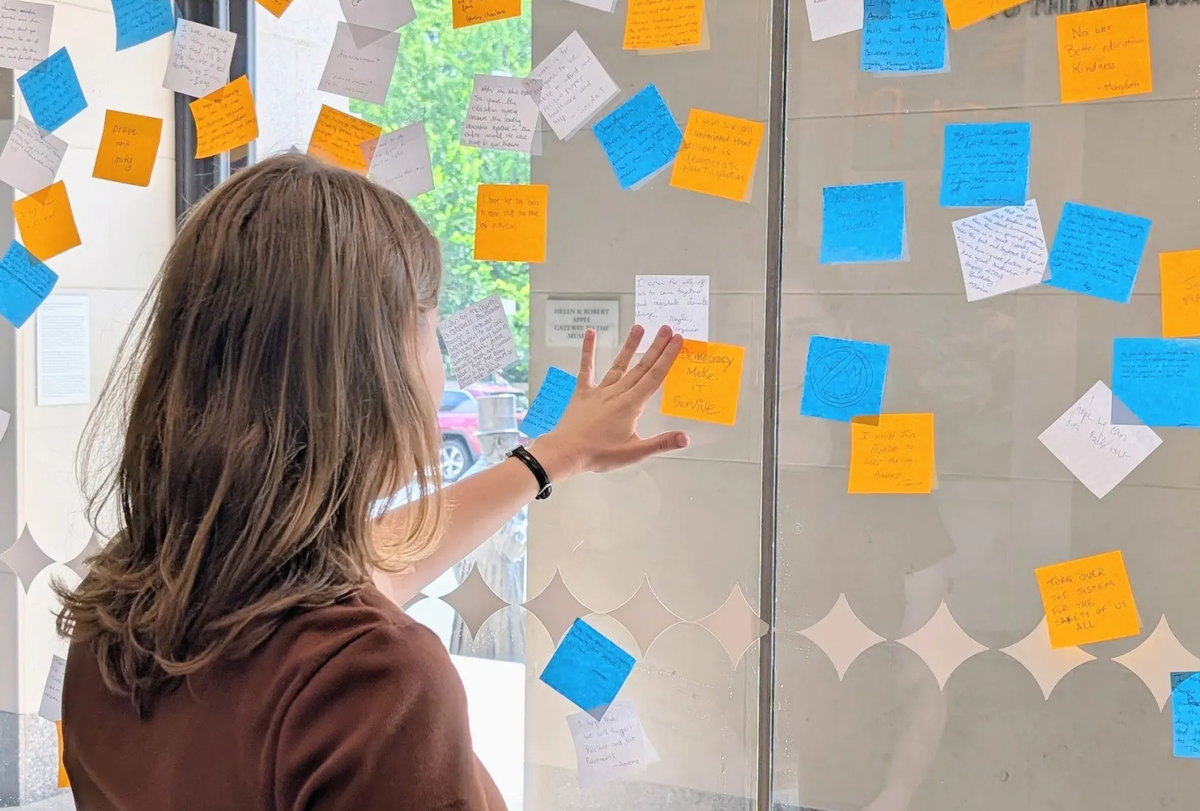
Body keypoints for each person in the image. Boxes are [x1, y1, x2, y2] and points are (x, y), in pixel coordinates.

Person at [54, 154, 689, 811]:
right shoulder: (375, 682)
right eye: (432, 327)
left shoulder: (123, 608)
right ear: (377, 369)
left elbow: (373, 557)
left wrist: (552, 456)